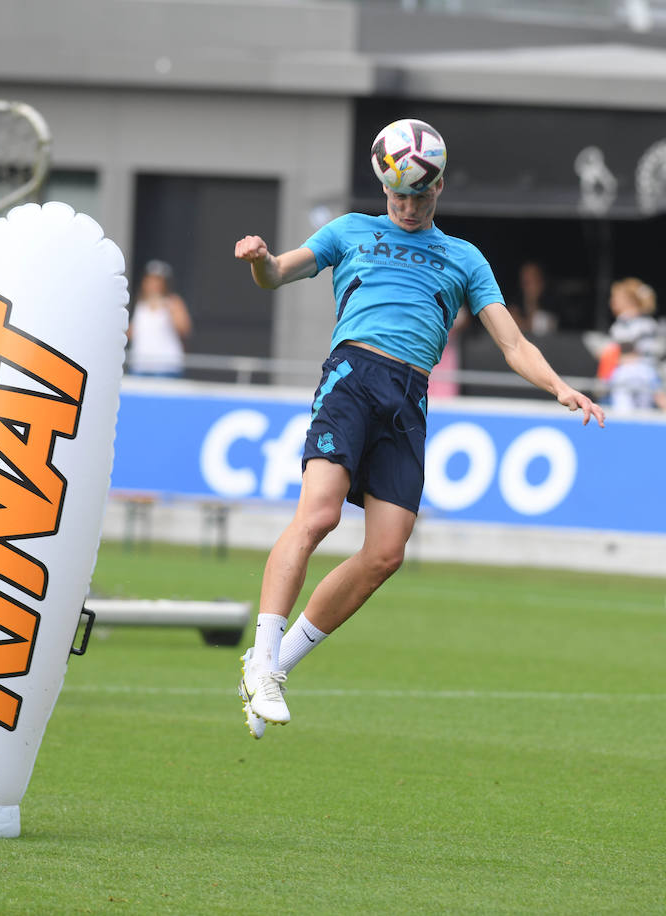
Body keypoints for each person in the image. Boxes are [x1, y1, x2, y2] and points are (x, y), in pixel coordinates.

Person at [230, 120, 605, 739]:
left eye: (419, 197)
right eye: (397, 196)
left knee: (385, 554)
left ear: (440, 189)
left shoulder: (463, 257)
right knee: (319, 516)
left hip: (409, 397)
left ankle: (273, 666)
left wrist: (559, 386)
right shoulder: (350, 231)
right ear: (383, 186)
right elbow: (279, 274)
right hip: (352, 376)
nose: (406, 207)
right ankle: (263, 656)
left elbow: (511, 341)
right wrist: (261, 260)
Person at [127, 259, 192, 377]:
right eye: (150, 280)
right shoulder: (140, 304)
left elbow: (184, 329)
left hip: (166, 367)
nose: (153, 285)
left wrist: (170, 309)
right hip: (140, 365)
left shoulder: (173, 302)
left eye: (158, 281)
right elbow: (132, 332)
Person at [597, 278, 660, 381]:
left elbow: (642, 355)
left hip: (639, 377)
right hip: (622, 375)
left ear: (629, 300)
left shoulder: (644, 324)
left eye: (615, 298)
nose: (611, 301)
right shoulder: (620, 324)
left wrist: (613, 357)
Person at [516, 261, 558, 337]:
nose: (528, 284)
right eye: (525, 280)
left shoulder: (553, 307)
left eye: (533, 279)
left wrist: (533, 300)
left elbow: (542, 328)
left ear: (541, 282)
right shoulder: (514, 306)